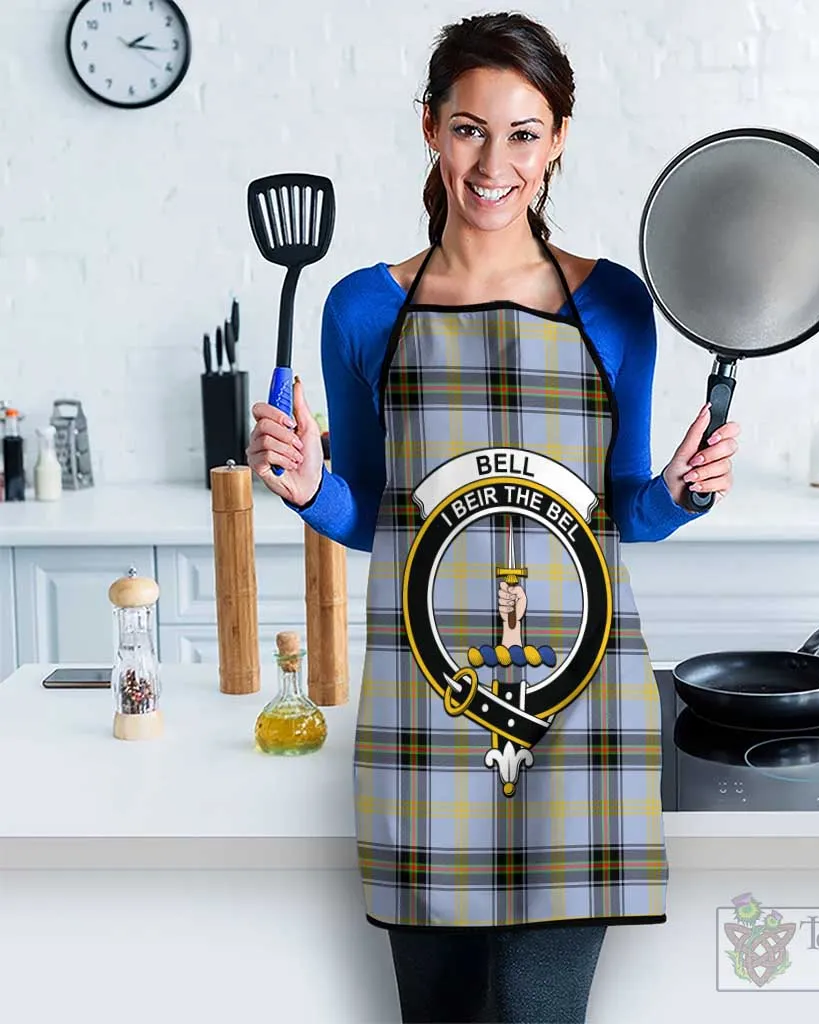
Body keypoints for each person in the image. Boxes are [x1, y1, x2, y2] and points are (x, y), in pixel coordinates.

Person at [247, 11, 740, 1023]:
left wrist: (682, 492)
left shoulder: (612, 303)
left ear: (557, 138)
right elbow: (376, 515)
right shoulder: (362, 307)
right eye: (470, 128)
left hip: (578, 714)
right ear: (430, 128)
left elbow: (623, 512)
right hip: (423, 717)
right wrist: (306, 488)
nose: (493, 161)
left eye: (522, 132)